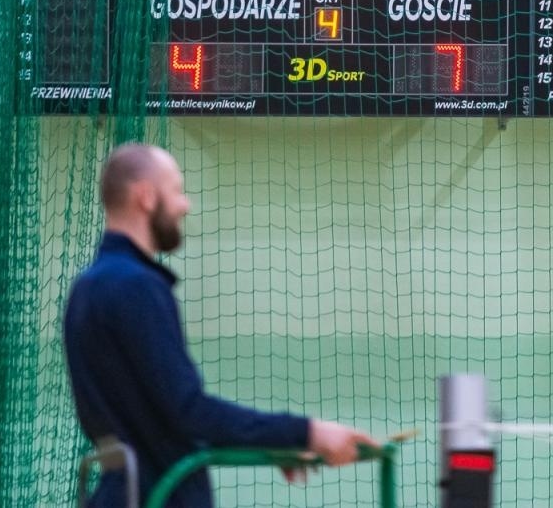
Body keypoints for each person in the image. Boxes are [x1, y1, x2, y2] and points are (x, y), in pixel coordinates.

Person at [64, 142, 378, 508]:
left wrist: (276, 443)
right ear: (146, 197)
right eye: (177, 191)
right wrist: (309, 432)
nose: (185, 205)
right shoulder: (137, 286)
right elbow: (190, 413)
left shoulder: (85, 289)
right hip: (158, 497)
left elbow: (152, 422)